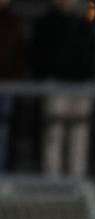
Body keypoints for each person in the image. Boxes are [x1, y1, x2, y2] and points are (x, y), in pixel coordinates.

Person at [30, 0, 95, 178]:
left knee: (79, 133)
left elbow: (91, 52)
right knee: (54, 132)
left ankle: (77, 177)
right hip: (56, 83)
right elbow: (38, 53)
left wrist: (87, 74)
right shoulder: (46, 23)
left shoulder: (83, 23)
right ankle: (52, 178)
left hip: (81, 84)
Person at [0, 0, 25, 173]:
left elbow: (18, 55)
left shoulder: (14, 21)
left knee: (4, 133)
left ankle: (3, 174)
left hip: (8, 85)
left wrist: (15, 78)